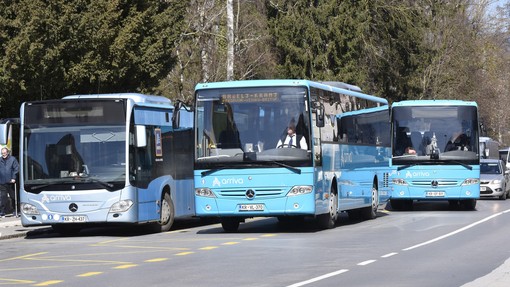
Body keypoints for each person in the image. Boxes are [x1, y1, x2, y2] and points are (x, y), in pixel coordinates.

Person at [0, 147, 19, 217]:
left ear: (7, 153)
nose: (3, 154)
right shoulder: (0, 160)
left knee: (13, 196)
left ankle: (15, 210)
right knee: (3, 197)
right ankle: (2, 212)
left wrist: (13, 178)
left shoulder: (12, 159)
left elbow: (16, 168)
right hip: (2, 182)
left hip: (11, 182)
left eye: (4, 153)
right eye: (2, 153)